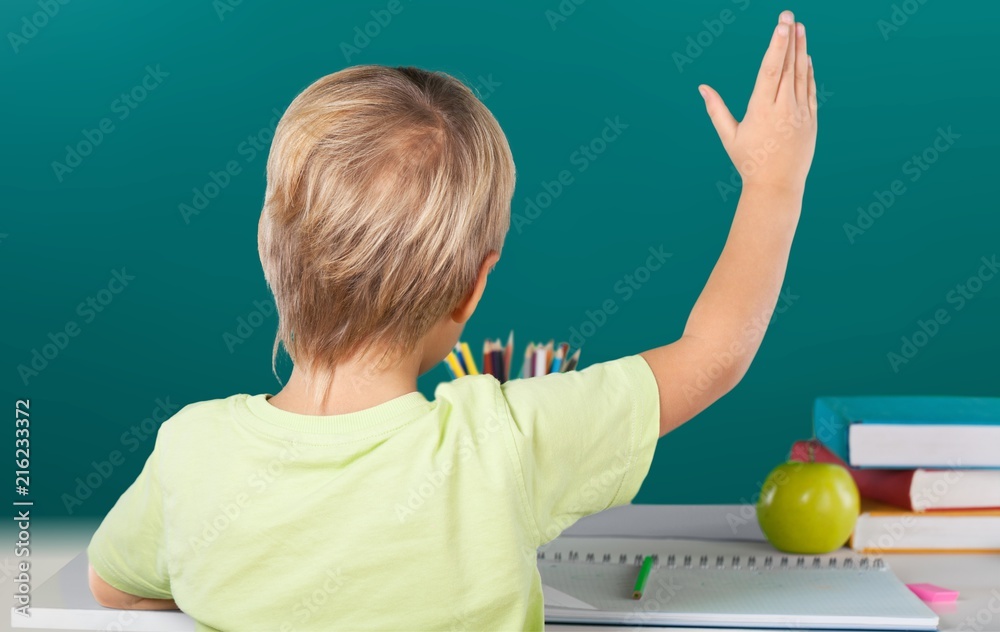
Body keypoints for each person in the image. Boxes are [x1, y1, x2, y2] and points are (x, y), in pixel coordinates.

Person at [87, 10, 817, 630]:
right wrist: (773, 182)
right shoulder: (504, 442)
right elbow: (715, 353)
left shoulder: (192, 451)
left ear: (270, 250)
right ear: (472, 288)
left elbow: (113, 586)